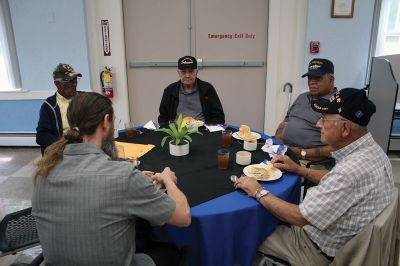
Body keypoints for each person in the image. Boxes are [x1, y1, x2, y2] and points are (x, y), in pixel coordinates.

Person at [235, 88, 394, 266]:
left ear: (345, 129)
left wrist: (257, 190)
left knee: (242, 231)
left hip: (313, 249)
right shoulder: (373, 152)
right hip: (343, 239)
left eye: (324, 119)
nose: (318, 124)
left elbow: (298, 217)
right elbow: (335, 179)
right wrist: (300, 170)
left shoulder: (349, 172)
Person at [32, 92, 191, 266]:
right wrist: (168, 180)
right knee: (173, 251)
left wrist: (134, 180)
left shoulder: (42, 172)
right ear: (106, 122)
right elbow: (183, 217)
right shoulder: (123, 176)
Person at [275, 58, 337, 162]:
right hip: (283, 150)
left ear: (331, 79)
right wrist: (277, 141)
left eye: (318, 78)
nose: (312, 82)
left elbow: (336, 148)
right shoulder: (302, 97)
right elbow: (285, 122)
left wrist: (301, 153)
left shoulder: (337, 104)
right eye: (309, 78)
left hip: (307, 160)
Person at [158, 56, 225, 125]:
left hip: (202, 131)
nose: (187, 75)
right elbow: (162, 118)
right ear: (178, 73)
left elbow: (219, 117)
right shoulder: (169, 90)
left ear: (196, 72)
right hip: (177, 132)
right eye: (183, 72)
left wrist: (207, 127)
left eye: (191, 71)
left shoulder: (207, 89)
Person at [36, 63, 82, 155]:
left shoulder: (85, 98)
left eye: (75, 80)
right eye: (69, 81)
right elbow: (41, 136)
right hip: (64, 150)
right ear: (57, 84)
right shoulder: (49, 106)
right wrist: (65, 142)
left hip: (87, 146)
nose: (74, 84)